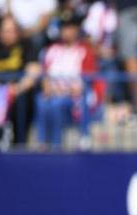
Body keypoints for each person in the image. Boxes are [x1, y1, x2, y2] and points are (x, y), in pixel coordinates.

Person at [36, 10, 100, 150]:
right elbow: (45, 76)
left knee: (56, 104)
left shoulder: (85, 51)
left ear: (77, 30)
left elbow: (87, 80)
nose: (67, 31)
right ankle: (42, 143)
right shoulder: (51, 49)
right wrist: (49, 87)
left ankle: (56, 145)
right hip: (53, 93)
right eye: (64, 27)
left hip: (75, 97)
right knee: (41, 101)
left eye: (71, 27)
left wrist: (66, 90)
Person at [0, 15, 42, 148]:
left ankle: (18, 145)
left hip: (18, 92)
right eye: (5, 30)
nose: (9, 34)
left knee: (22, 102)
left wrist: (15, 90)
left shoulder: (26, 45)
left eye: (12, 30)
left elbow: (34, 71)